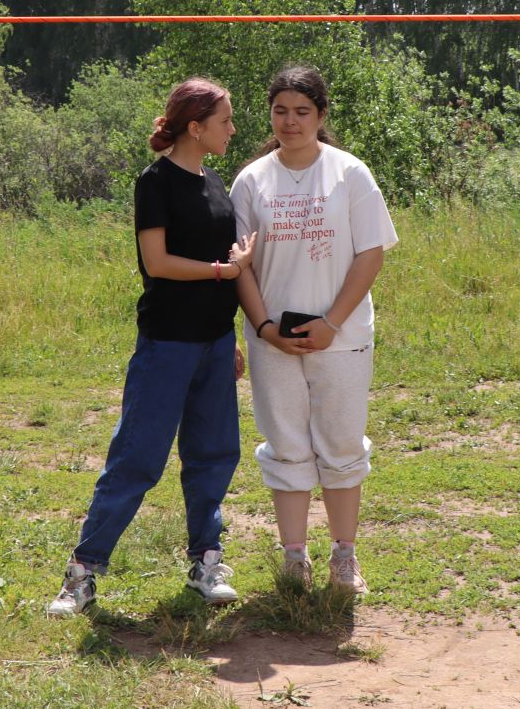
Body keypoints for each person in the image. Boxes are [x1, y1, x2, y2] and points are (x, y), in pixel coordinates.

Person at [48, 78, 255, 617]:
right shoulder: (156, 183)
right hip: (166, 345)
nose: (233, 129)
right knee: (137, 458)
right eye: (226, 120)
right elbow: (157, 263)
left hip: (213, 345)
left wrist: (229, 335)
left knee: (213, 455)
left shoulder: (218, 188)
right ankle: (82, 573)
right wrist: (221, 271)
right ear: (196, 126)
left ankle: (206, 562)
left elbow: (231, 273)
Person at [230, 65, 397, 595]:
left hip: (341, 336)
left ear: (321, 116)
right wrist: (263, 326)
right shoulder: (252, 180)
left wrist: (331, 322)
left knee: (342, 442)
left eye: (302, 111)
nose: (290, 121)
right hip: (273, 339)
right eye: (280, 110)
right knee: (285, 444)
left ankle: (344, 558)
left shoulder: (350, 173)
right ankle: (294, 557)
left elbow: (371, 253)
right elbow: (242, 267)